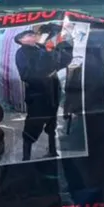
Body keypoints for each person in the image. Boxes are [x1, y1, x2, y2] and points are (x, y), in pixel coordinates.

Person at [14, 26, 74, 161]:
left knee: (52, 122)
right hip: (37, 94)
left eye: (32, 34)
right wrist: (45, 63)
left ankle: (52, 150)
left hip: (52, 90)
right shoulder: (22, 53)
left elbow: (61, 62)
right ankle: (26, 157)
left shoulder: (43, 48)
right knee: (33, 124)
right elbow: (26, 74)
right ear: (20, 41)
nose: (31, 36)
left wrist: (63, 45)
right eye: (27, 36)